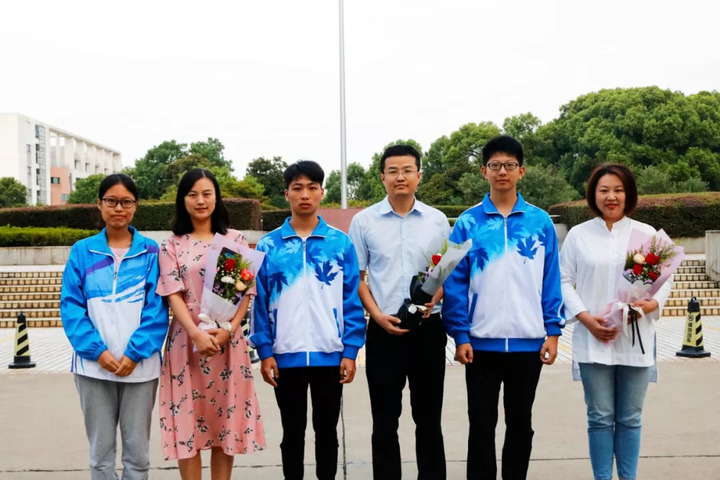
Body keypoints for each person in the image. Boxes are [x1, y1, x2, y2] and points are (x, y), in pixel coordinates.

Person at [442, 135, 564, 480]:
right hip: (480, 344)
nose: (502, 172)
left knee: (521, 424)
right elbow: (454, 282)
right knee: (481, 425)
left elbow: (551, 279)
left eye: (510, 165)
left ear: (521, 171)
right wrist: (460, 335)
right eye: (495, 165)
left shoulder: (540, 222)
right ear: (484, 171)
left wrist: (553, 331)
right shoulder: (467, 223)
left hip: (528, 342)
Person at [250, 160, 366, 480]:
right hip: (284, 356)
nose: (305, 194)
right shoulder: (269, 245)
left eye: (312, 188)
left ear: (321, 192)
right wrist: (265, 352)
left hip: (330, 355)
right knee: (292, 433)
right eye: (297, 188)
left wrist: (351, 351)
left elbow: (351, 300)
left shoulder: (340, 243)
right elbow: (259, 303)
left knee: (327, 432)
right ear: (286, 193)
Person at [559, 163, 672, 480]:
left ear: (629, 194)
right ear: (593, 195)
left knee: (631, 418)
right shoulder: (579, 236)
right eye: (604, 190)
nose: (611, 197)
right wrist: (586, 319)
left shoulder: (647, 235)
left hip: (635, 338)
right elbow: (563, 281)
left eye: (618, 190)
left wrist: (651, 305)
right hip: (593, 337)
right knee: (599, 417)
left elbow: (665, 282)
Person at [348, 144, 450, 479]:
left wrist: (436, 297)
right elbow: (357, 277)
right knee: (384, 421)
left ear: (419, 175)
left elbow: (446, 271)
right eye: (393, 171)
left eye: (407, 170)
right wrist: (376, 315)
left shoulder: (437, 220)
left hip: (428, 329)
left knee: (429, 419)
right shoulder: (364, 222)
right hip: (384, 331)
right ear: (383, 177)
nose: (400, 177)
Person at [156, 168, 265, 480]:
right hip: (186, 344)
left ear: (216, 198)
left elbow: (243, 293)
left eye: (207, 194)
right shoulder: (172, 244)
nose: (200, 200)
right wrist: (196, 334)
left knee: (223, 423)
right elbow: (173, 294)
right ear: (183, 200)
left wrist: (229, 330)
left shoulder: (234, 240)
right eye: (192, 194)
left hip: (226, 343)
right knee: (187, 425)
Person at [61, 173, 168, 480]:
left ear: (135, 206)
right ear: (99, 204)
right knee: (100, 455)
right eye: (111, 201)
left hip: (140, 368)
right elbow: (71, 307)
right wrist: (97, 351)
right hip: (93, 368)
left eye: (126, 202)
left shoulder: (151, 253)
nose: (118, 208)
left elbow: (157, 309)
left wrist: (134, 353)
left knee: (138, 455)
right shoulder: (82, 251)